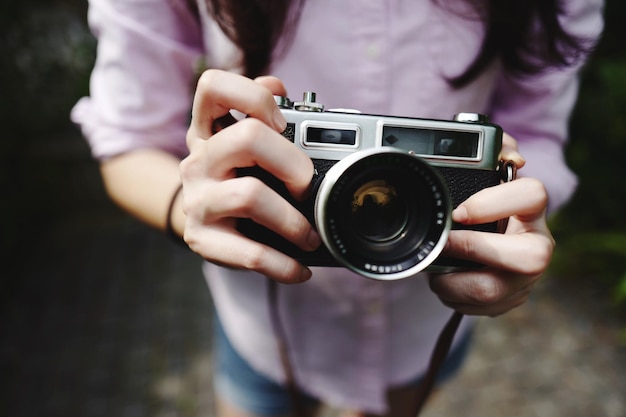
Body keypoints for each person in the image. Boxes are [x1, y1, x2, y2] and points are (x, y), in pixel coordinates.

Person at [71, 0, 604, 415]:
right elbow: (127, 138)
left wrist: (512, 229)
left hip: (421, 331)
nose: (371, 204)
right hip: (261, 325)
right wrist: (194, 207)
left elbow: (534, 133)